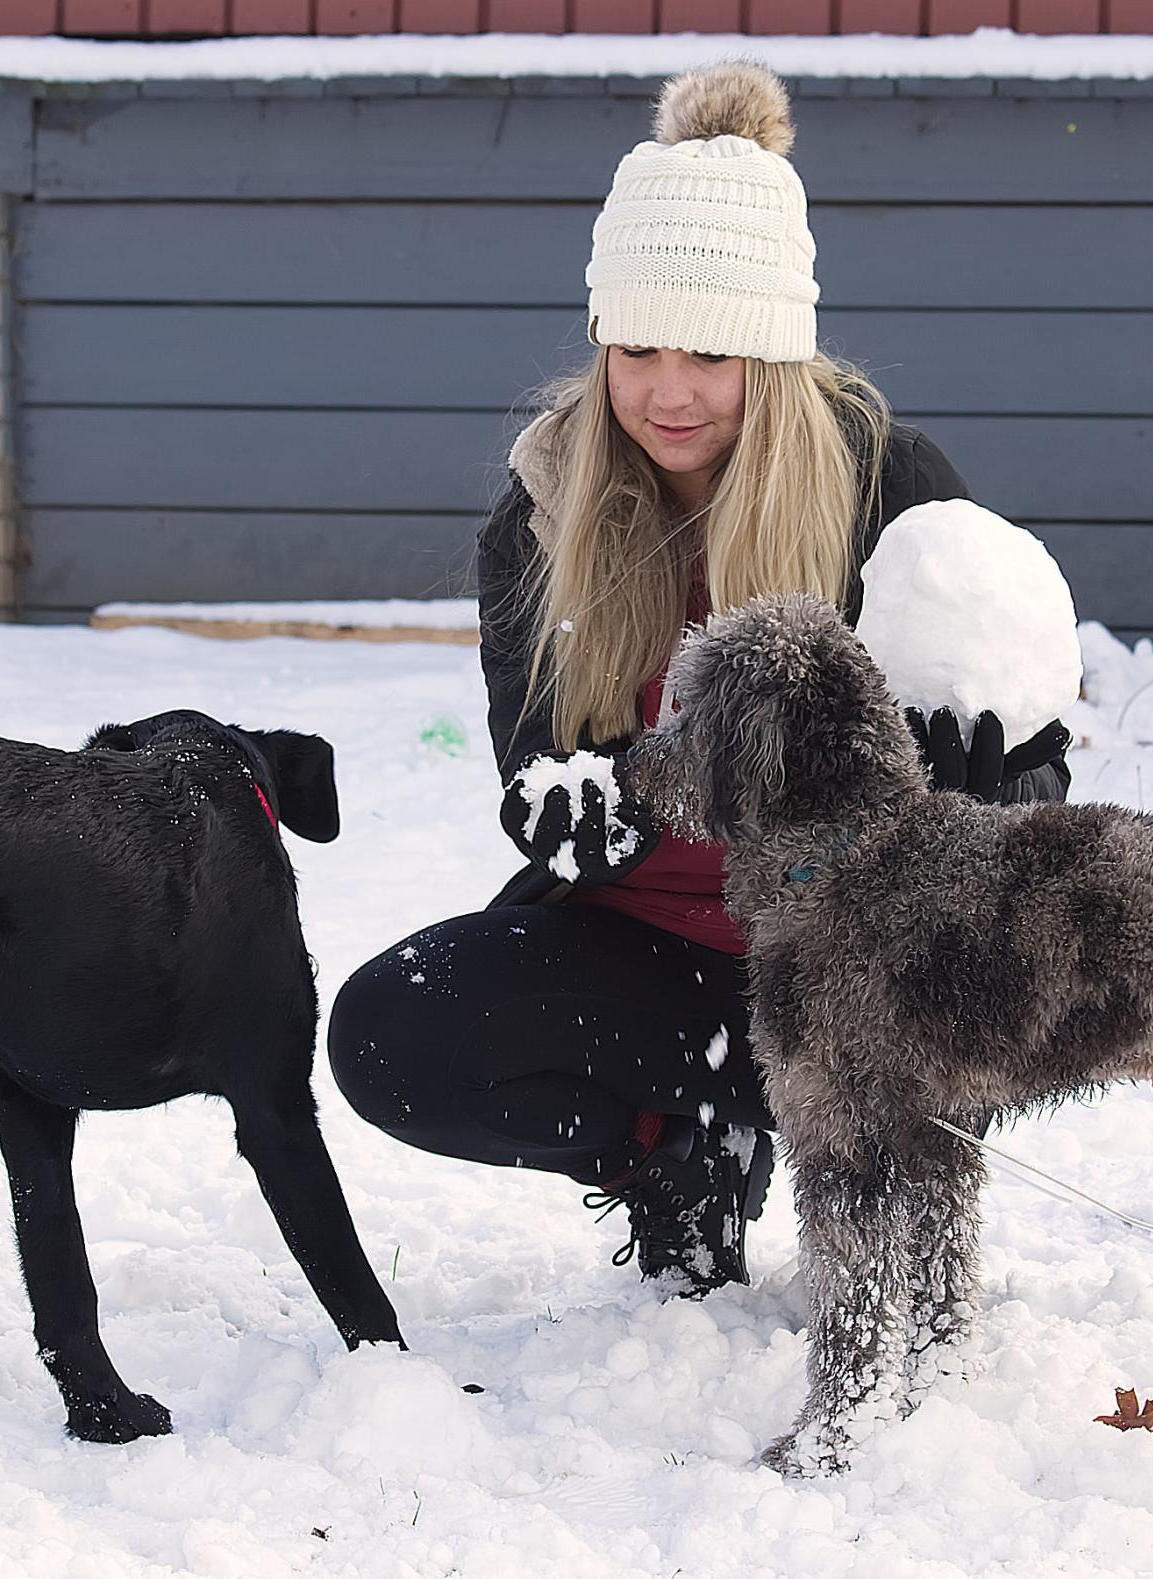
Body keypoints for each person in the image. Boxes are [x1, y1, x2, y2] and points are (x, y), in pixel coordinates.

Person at [328, 62, 1071, 1297]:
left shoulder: (890, 483)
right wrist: (567, 808)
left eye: (712, 353)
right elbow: (535, 769)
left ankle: (887, 1169)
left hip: (858, 958)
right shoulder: (543, 507)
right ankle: (683, 1147)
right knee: (392, 1034)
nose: (667, 392)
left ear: (772, 355)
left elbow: (1027, 742)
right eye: (637, 348)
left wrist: (995, 778)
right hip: (662, 952)